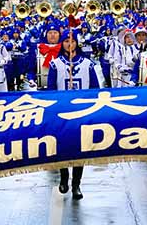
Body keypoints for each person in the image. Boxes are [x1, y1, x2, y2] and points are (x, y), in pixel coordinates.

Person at [47, 29, 99, 200]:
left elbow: (95, 89)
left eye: (73, 41)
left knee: (79, 149)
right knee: (61, 146)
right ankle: (64, 178)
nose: (70, 44)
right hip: (62, 113)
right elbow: (51, 90)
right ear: (62, 44)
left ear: (77, 43)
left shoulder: (88, 64)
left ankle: (77, 184)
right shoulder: (55, 64)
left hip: (82, 112)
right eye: (66, 41)